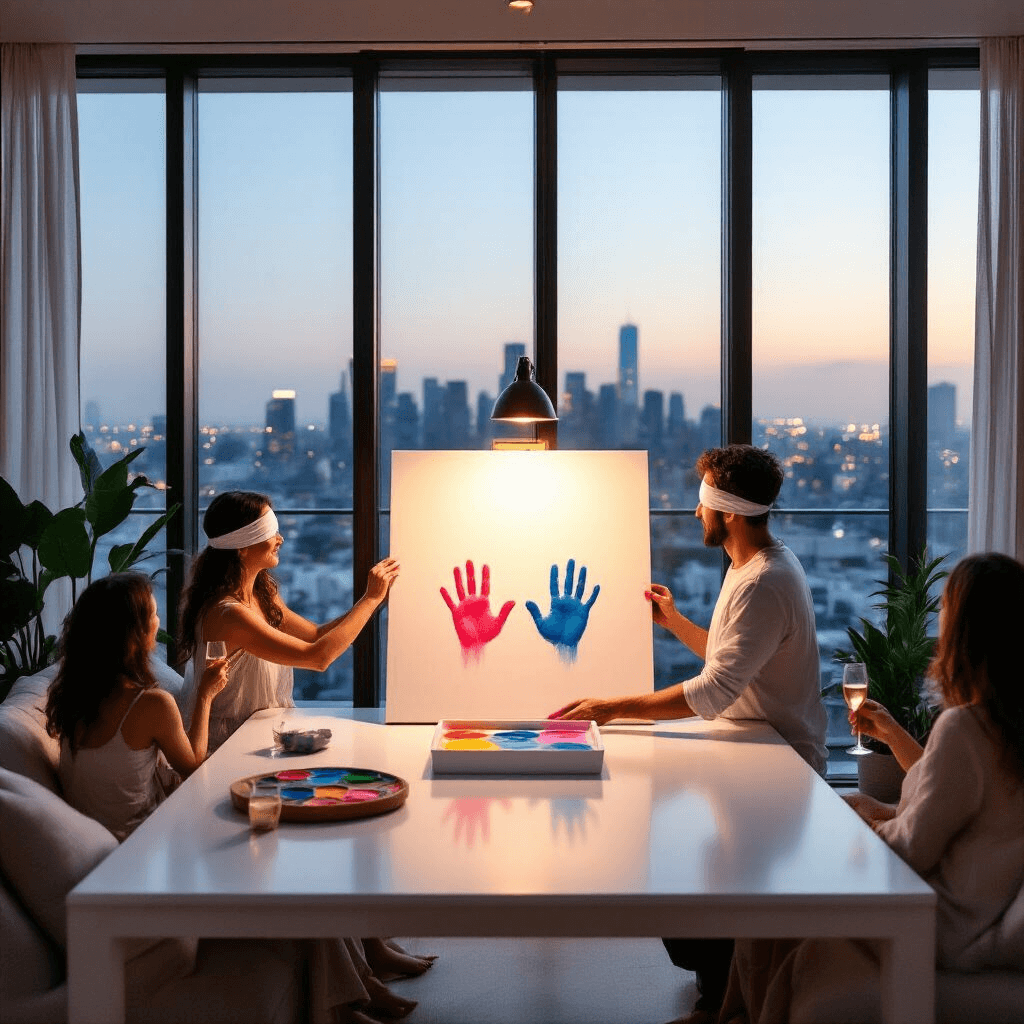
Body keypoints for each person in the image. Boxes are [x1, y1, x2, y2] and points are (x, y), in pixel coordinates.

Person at [550, 444, 827, 1024]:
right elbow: (731, 663)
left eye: (701, 503)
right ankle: (718, 994)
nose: (693, 513)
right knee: (695, 864)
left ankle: (722, 1004)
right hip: (749, 747)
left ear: (725, 511)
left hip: (780, 764)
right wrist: (675, 622)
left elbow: (713, 691)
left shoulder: (764, 582)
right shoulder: (751, 568)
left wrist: (610, 707)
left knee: (697, 876)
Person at [719, 551, 1024, 1024]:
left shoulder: (967, 728)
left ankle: (737, 1014)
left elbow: (915, 848)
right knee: (788, 896)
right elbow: (958, 798)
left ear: (964, 631)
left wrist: (857, 831)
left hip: (939, 922)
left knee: (777, 883)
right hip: (974, 914)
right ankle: (736, 1013)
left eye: (946, 611)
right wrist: (892, 740)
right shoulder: (1006, 725)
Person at [178, 490, 400, 754]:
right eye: (271, 531)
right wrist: (370, 600)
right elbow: (318, 657)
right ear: (242, 546)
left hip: (266, 737)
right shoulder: (229, 615)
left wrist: (374, 601)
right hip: (231, 745)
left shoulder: (262, 593)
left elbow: (315, 635)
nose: (280, 539)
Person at [45, 572, 229, 841]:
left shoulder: (73, 699)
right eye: (153, 614)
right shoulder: (151, 704)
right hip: (140, 848)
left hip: (95, 842)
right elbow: (193, 767)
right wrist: (205, 694)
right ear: (135, 633)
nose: (158, 621)